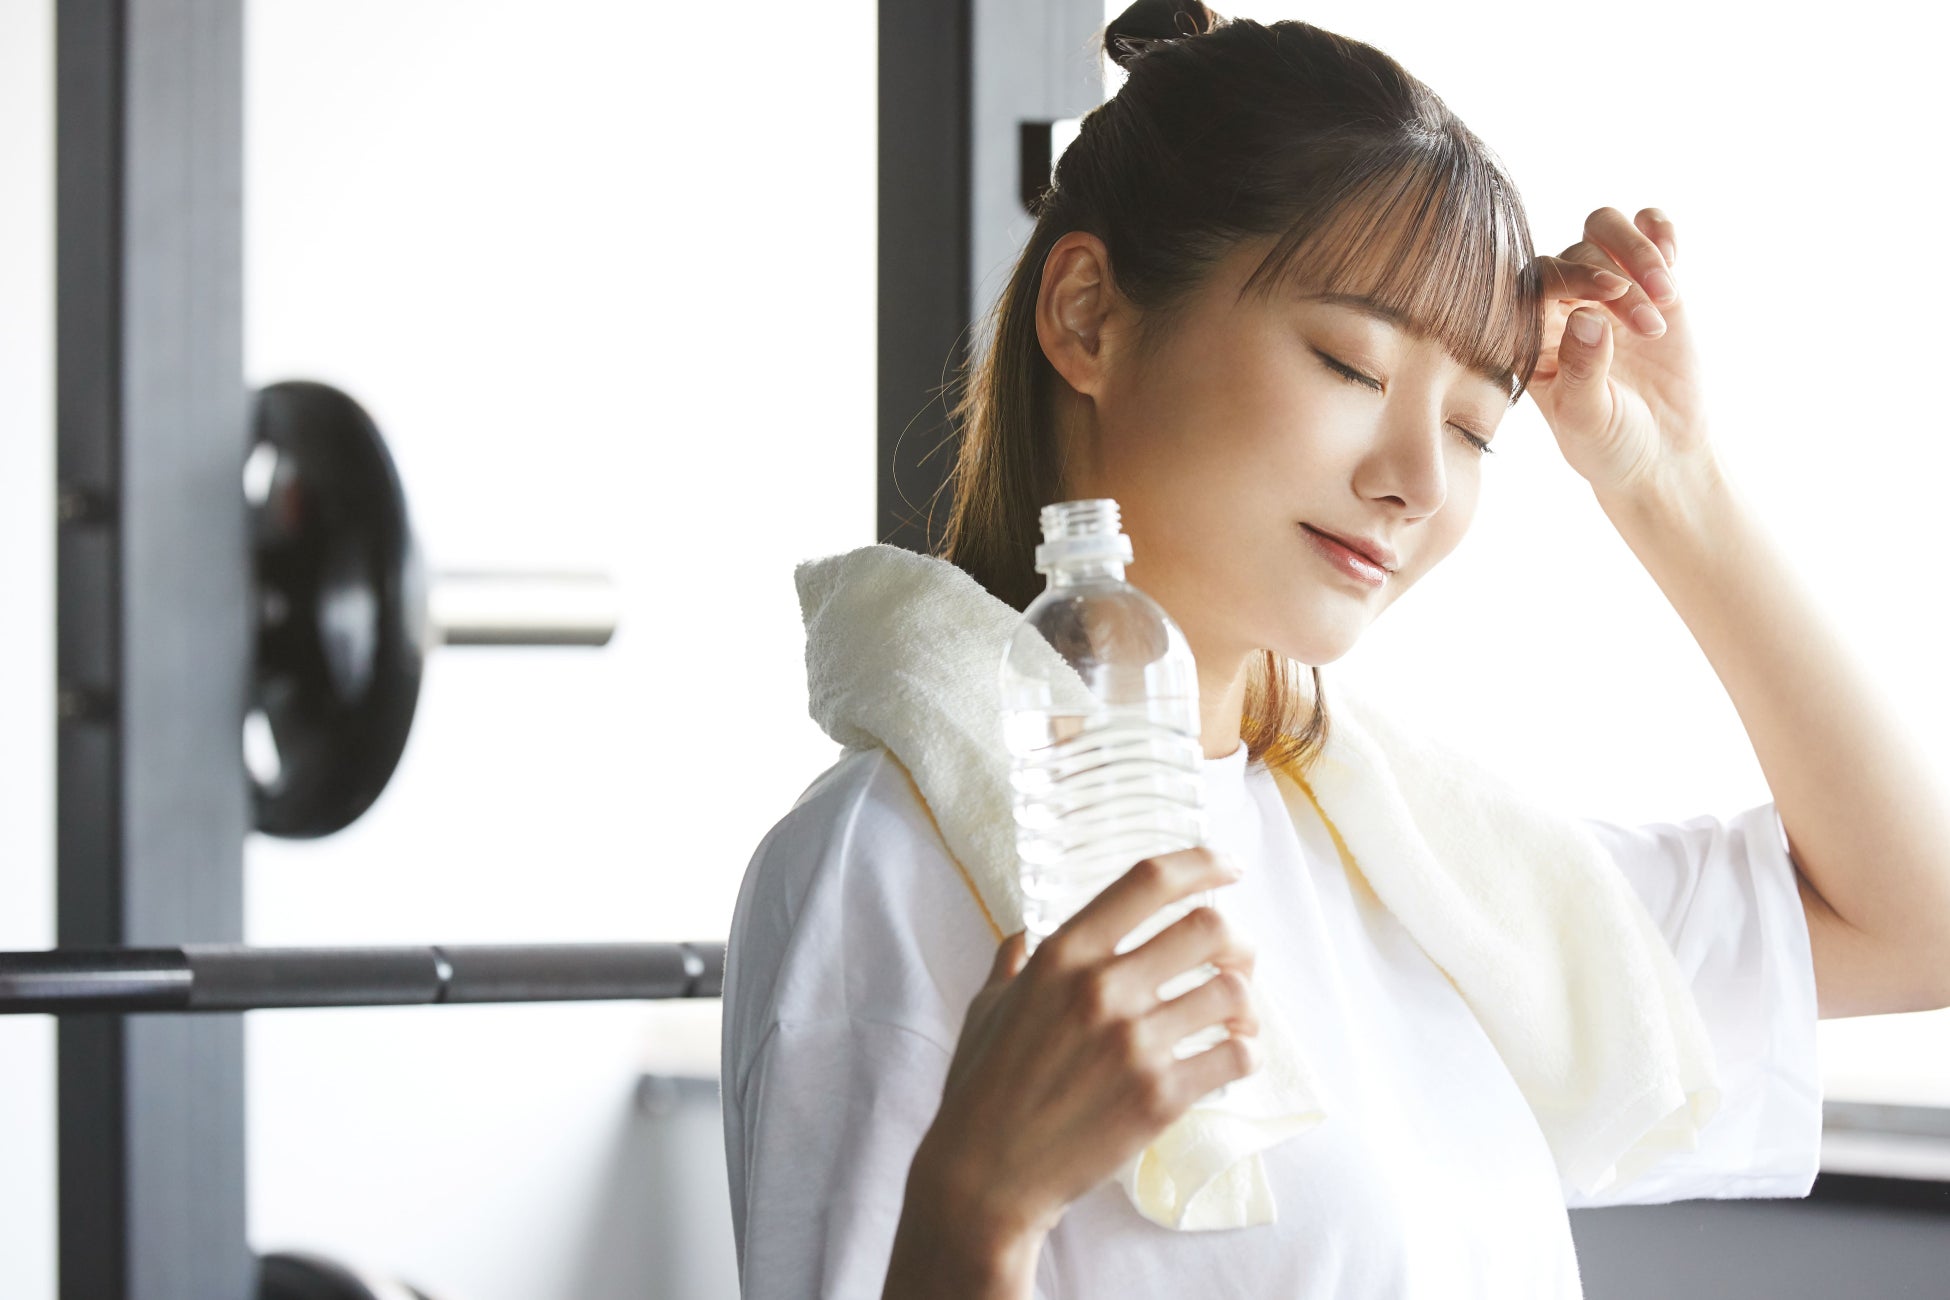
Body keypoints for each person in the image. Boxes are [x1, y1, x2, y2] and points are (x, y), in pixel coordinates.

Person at [722, 2, 1856, 1295]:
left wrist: (1670, 479)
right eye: (1349, 365)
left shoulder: (1433, 863)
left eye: (1475, 431)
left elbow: (1910, 923)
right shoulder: (886, 865)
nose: (1418, 479)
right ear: (1086, 316)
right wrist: (980, 1208)